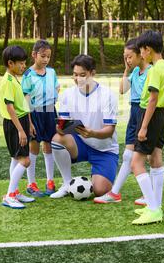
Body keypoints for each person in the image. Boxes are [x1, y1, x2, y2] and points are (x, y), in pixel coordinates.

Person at [50, 54, 119, 199]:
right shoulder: (68, 94)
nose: (78, 79)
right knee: (57, 139)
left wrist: (93, 133)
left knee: (100, 190)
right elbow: (63, 121)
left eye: (82, 75)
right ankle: (67, 183)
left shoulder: (107, 95)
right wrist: (60, 128)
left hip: (104, 149)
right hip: (80, 143)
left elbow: (109, 130)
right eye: (75, 75)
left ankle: (100, 173)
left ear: (92, 73)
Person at [94, 38, 150, 204]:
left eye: (130, 56)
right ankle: (115, 194)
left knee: (147, 157)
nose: (127, 60)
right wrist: (126, 70)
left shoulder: (151, 71)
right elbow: (122, 90)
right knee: (128, 156)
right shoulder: (134, 72)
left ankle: (149, 194)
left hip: (144, 113)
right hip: (134, 113)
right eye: (125, 57)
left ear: (141, 54)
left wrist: (145, 124)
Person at [130, 30, 164, 225]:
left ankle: (154, 209)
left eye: (141, 50)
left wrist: (143, 126)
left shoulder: (155, 69)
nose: (141, 54)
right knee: (155, 159)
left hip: (151, 115)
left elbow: (153, 98)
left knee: (136, 163)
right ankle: (156, 204)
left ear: (148, 49)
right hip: (161, 116)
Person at [21, 40, 60, 197]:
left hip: (50, 112)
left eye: (48, 57)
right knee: (34, 146)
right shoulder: (28, 75)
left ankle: (50, 180)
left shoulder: (51, 72)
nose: (45, 60)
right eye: (43, 56)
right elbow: (26, 100)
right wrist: (29, 122)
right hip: (35, 113)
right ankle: (31, 183)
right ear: (34, 55)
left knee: (49, 144)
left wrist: (55, 93)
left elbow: (57, 86)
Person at [0, 45, 35, 209]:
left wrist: (29, 124)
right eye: (20, 63)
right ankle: (9, 195)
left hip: (21, 121)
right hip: (14, 124)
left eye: (24, 63)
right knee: (25, 160)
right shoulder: (7, 81)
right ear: (10, 63)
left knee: (16, 158)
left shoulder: (14, 78)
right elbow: (10, 107)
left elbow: (21, 105)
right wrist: (21, 130)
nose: (24, 66)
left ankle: (15, 191)